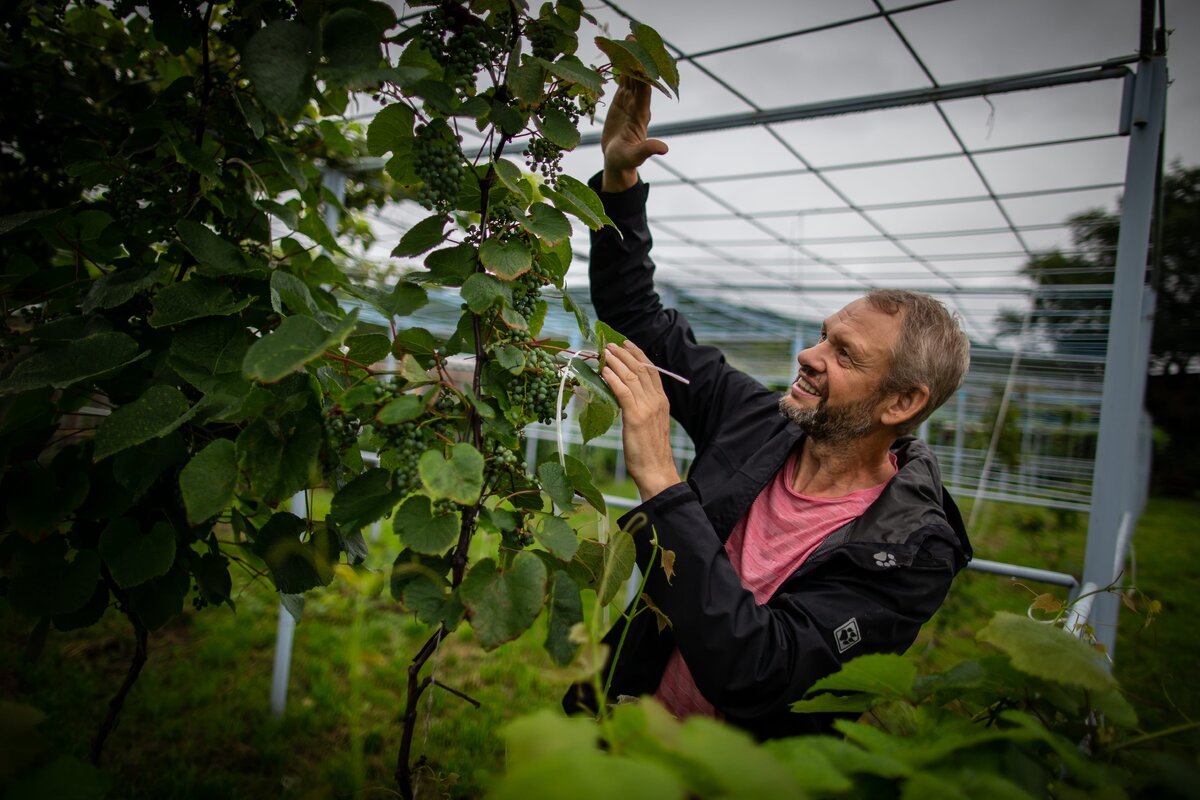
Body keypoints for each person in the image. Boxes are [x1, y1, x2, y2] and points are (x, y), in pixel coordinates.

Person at [562, 79, 973, 740]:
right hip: (626, 739)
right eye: (820, 336)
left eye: (844, 354)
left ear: (902, 401)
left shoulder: (908, 551)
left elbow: (759, 670)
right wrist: (621, 183)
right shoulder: (756, 421)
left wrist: (664, 485)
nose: (809, 356)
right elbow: (637, 316)